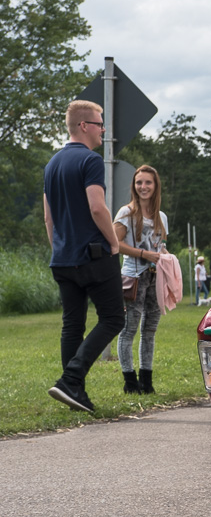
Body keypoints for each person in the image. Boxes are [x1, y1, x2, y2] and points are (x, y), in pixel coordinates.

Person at [43, 100, 125, 413]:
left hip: (63, 258)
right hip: (93, 256)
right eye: (99, 123)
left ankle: (73, 392)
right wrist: (113, 242)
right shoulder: (90, 161)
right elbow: (97, 207)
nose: (103, 129)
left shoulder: (52, 164)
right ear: (83, 126)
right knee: (114, 318)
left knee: (72, 326)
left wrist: (58, 247)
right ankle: (71, 378)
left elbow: (49, 217)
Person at [114, 164, 169, 395]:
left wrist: (165, 257)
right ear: (134, 186)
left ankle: (147, 382)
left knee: (150, 331)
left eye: (148, 182)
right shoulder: (126, 212)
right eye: (139, 182)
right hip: (133, 278)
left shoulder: (161, 217)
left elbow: (161, 246)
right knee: (129, 330)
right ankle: (130, 381)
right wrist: (144, 254)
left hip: (155, 278)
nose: (143, 187)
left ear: (155, 186)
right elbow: (115, 244)